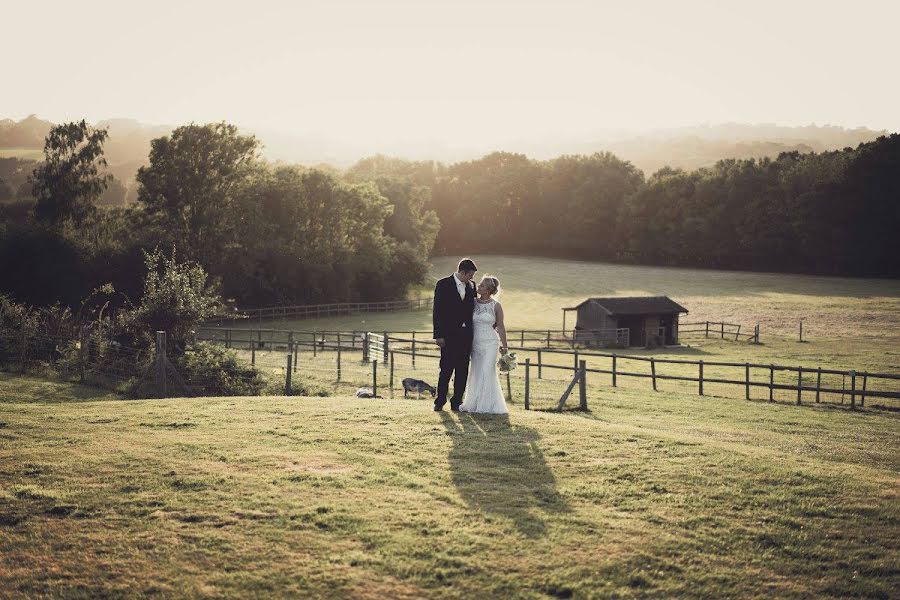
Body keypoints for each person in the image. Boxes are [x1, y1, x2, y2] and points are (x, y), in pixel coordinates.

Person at [432, 258, 477, 411]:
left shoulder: (472, 286)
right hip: (448, 336)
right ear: (463, 272)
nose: (472, 278)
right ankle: (439, 401)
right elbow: (437, 311)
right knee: (445, 369)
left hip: (466, 337)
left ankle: (457, 402)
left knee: (462, 370)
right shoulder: (443, 284)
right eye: (470, 274)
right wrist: (438, 335)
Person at [460, 275, 509, 414]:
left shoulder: (496, 306)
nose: (478, 287)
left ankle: (487, 406)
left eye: (481, 286)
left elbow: (500, 327)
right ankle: (473, 404)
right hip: (475, 343)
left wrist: (505, 347)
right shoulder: (473, 302)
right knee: (476, 372)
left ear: (488, 290)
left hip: (491, 343)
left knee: (487, 371)